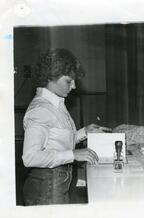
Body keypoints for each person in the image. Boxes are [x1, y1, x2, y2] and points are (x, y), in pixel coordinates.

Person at [22, 48, 111, 205]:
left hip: (56, 183)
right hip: (46, 188)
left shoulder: (55, 103)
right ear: (50, 77)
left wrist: (85, 131)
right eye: (69, 81)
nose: (74, 86)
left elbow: (57, 142)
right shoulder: (41, 109)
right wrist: (73, 155)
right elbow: (30, 157)